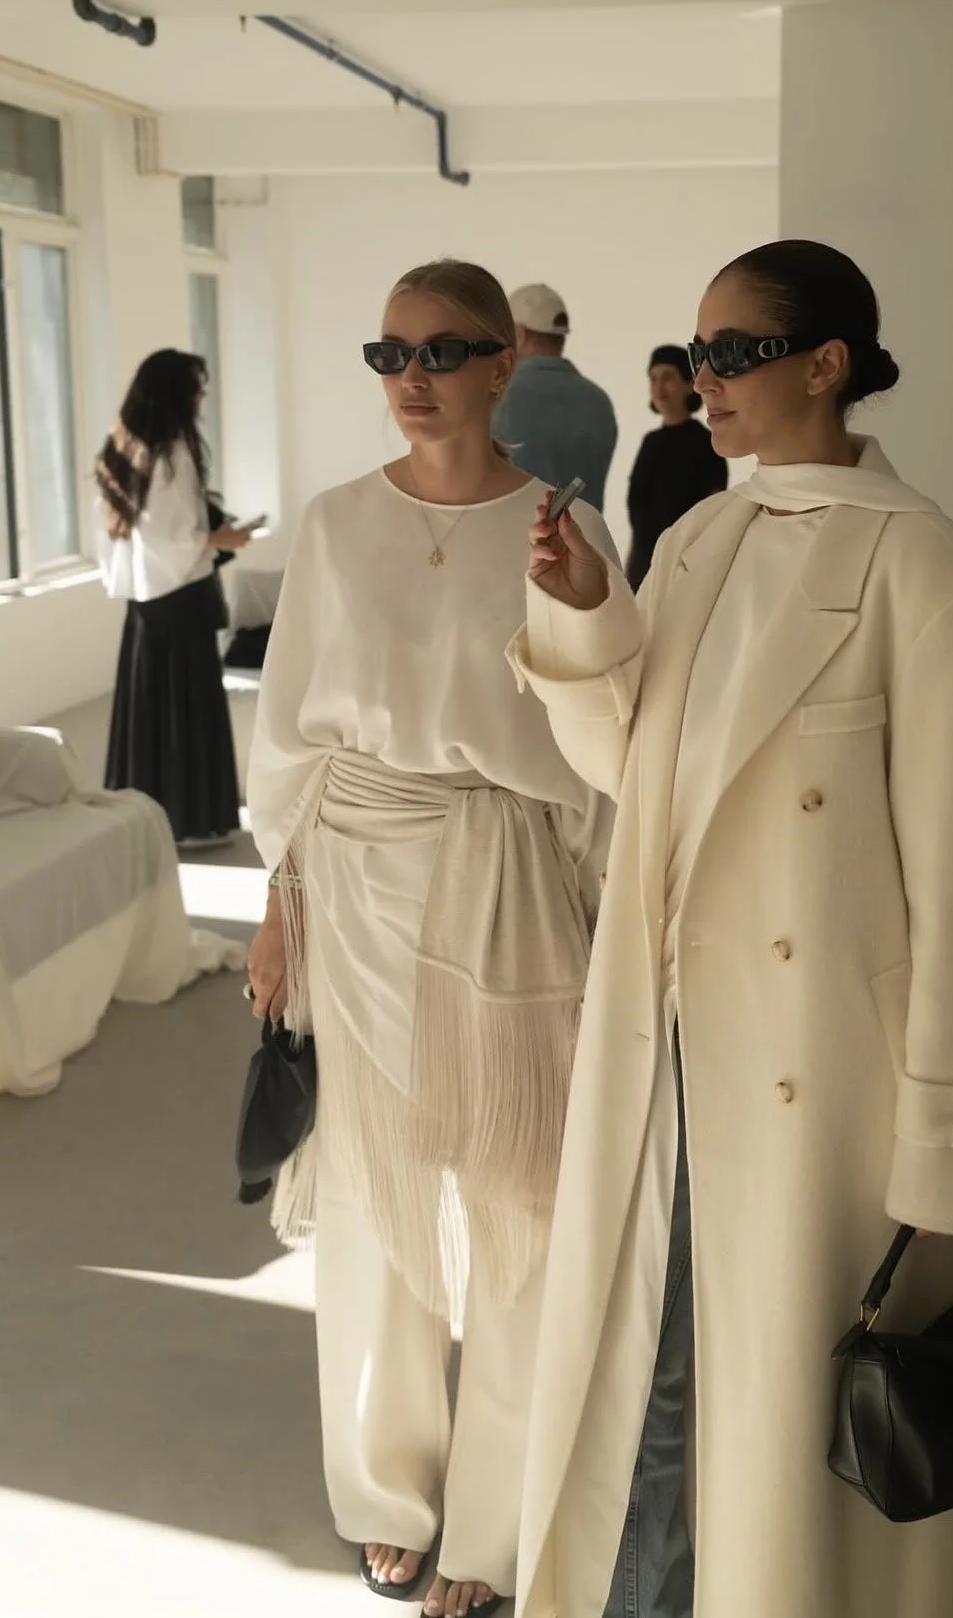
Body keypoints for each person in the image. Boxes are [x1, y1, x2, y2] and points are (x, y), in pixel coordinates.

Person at [508, 240, 953, 1618]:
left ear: (828, 364)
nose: (706, 377)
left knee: (783, 1420)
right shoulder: (701, 537)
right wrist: (586, 616)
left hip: (826, 1082)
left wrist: (951, 1159)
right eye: (698, 352)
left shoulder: (931, 572)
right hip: (670, 1040)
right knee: (652, 1365)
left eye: (736, 351)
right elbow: (638, 772)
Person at [245, 260, 617, 1618]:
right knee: (372, 1194)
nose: (412, 378)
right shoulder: (340, 524)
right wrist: (279, 908)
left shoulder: (560, 526)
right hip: (354, 880)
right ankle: (385, 1491)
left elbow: (607, 736)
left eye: (443, 351)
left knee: (520, 1190)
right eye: (389, 353)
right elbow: (288, 730)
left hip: (512, 875)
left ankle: (497, 1518)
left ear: (504, 362)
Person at [95, 349, 259, 847]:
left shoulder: (122, 450)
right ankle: (189, 820)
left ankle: (149, 817)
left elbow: (141, 536)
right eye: (196, 389)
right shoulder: (172, 454)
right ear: (176, 394)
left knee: (149, 707)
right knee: (187, 707)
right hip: (181, 598)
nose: (201, 398)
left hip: (146, 602)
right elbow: (171, 538)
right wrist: (221, 538)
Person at [493, 284, 618, 511]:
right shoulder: (599, 402)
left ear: (519, 335)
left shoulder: (497, 396)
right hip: (584, 533)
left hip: (514, 532)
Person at [625, 346, 728, 592]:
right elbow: (640, 517)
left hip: (683, 570)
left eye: (668, 378)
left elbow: (713, 515)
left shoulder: (706, 444)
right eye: (653, 379)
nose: (659, 387)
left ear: (689, 384)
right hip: (642, 568)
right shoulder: (650, 442)